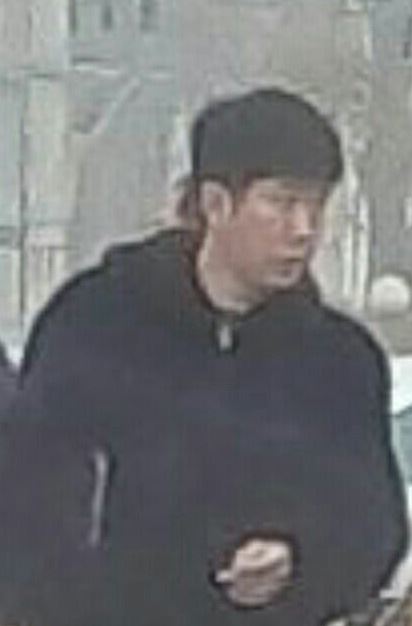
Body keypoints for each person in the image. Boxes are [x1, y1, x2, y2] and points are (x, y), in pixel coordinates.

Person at [0, 88, 407, 626]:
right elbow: (26, 500)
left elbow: (374, 524)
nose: (304, 230)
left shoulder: (338, 362)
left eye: (316, 206)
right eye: (282, 203)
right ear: (216, 204)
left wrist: (302, 559)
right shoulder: (95, 326)